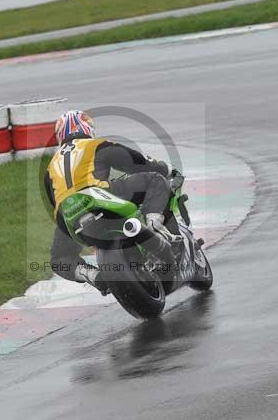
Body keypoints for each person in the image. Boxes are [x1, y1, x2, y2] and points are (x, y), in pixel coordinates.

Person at [44, 110, 178, 292]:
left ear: (61, 135)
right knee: (154, 179)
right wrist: (166, 169)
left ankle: (93, 275)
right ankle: (156, 228)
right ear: (87, 127)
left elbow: (54, 203)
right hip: (97, 194)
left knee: (58, 258)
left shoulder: (50, 167)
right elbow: (136, 162)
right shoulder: (95, 145)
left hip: (67, 212)